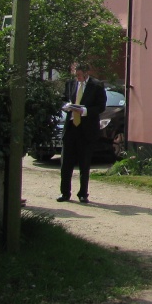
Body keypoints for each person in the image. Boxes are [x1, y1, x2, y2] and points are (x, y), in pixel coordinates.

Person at [58, 62, 107, 203]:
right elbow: (62, 100)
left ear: (86, 73)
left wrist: (84, 111)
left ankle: (83, 193)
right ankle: (65, 193)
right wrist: (66, 106)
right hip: (71, 128)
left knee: (84, 163)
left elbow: (101, 107)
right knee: (66, 162)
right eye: (75, 75)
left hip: (86, 130)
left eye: (79, 75)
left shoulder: (97, 86)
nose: (77, 77)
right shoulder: (70, 84)